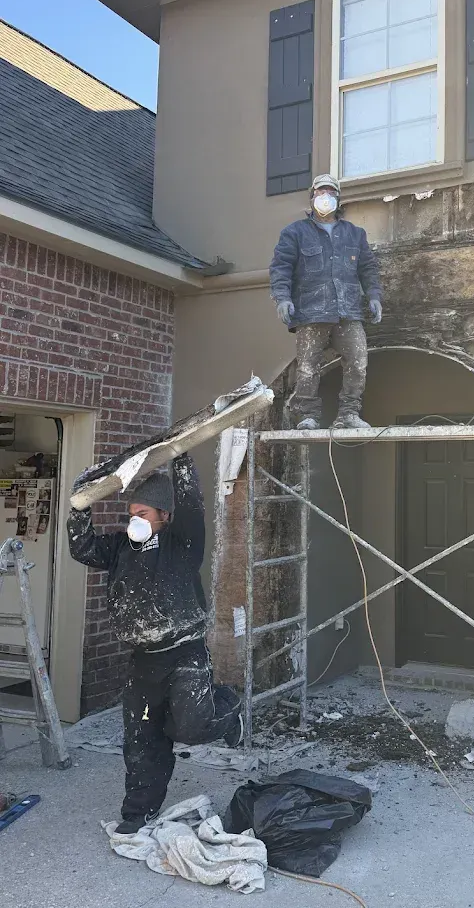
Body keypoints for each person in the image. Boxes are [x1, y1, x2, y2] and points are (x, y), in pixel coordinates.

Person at [67, 453, 242, 834]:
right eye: (131, 513)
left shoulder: (183, 544)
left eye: (143, 514)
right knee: (142, 739)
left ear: (165, 516)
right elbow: (81, 548)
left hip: (186, 655)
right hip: (144, 663)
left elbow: (192, 502)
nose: (135, 522)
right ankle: (138, 813)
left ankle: (229, 708)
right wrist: (80, 504)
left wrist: (179, 457)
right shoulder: (117, 548)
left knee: (191, 728)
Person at [269, 173, 383, 430]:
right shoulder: (295, 233)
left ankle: (348, 415)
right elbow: (281, 268)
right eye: (320, 192)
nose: (325, 197)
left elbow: (368, 269)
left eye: (330, 192)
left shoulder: (355, 234)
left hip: (348, 311)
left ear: (338, 199)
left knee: (358, 361)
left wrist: (374, 296)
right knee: (308, 366)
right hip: (311, 312)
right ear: (312, 198)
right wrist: (282, 299)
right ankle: (307, 416)